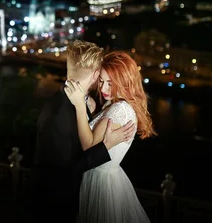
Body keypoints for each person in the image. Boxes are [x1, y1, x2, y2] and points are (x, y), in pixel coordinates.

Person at [33, 41, 136, 223]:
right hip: (57, 205)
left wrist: (88, 109)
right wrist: (106, 147)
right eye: (102, 80)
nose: (103, 87)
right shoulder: (61, 113)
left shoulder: (63, 102)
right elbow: (66, 171)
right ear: (96, 74)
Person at [66, 50, 157, 223]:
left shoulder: (120, 109)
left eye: (110, 83)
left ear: (125, 81)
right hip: (105, 177)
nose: (103, 88)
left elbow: (89, 145)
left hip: (101, 182)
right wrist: (92, 111)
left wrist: (79, 105)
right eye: (101, 81)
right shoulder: (115, 104)